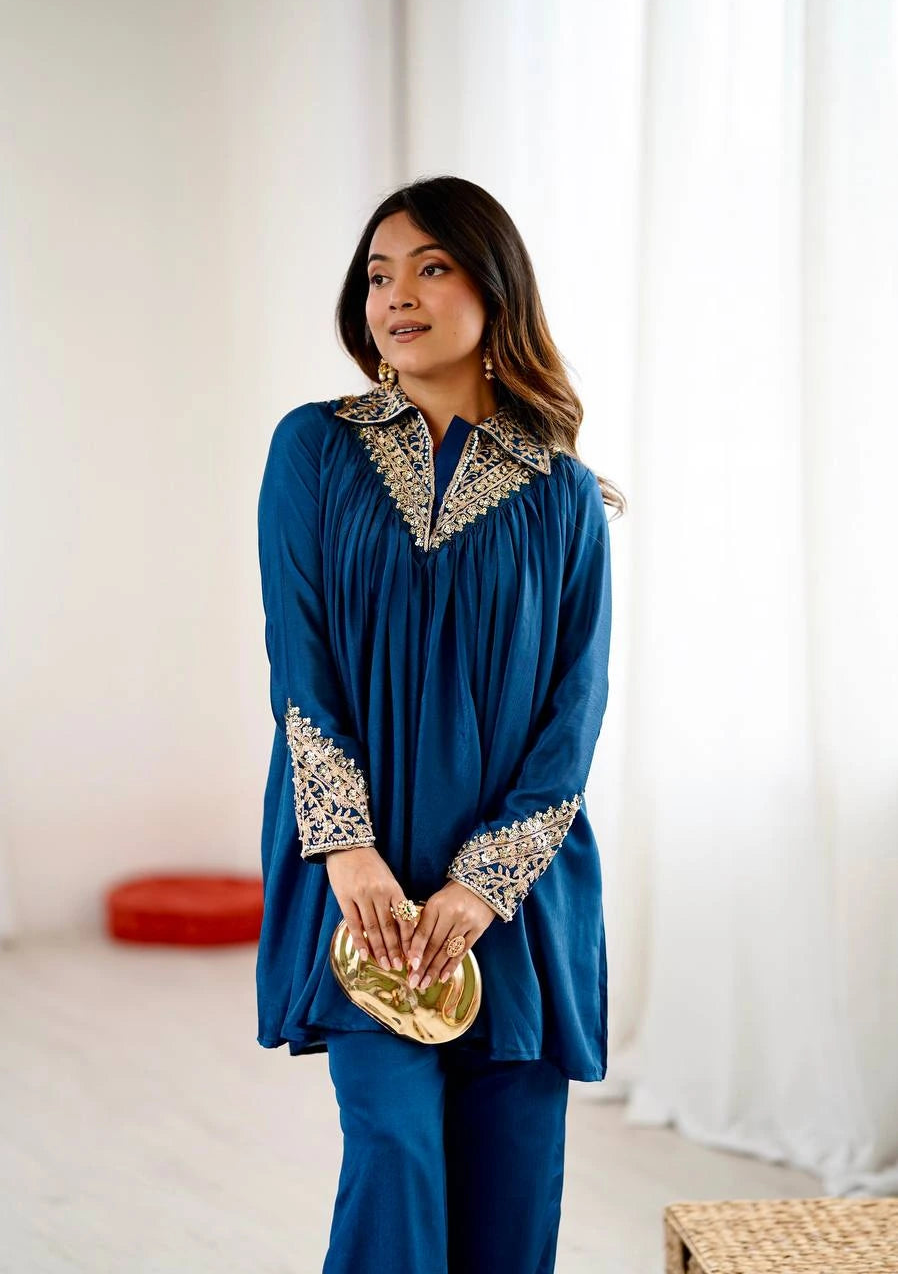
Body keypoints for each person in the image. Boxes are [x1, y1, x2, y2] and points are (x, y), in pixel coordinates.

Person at [255, 174, 624, 1274]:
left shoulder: (563, 496)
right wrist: (349, 850)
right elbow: (299, 659)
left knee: (511, 1198)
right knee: (394, 1152)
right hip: (359, 885)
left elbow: (574, 717)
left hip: (513, 896)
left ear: (491, 287)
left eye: (429, 266)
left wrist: (482, 883)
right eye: (378, 273)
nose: (395, 295)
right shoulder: (311, 449)